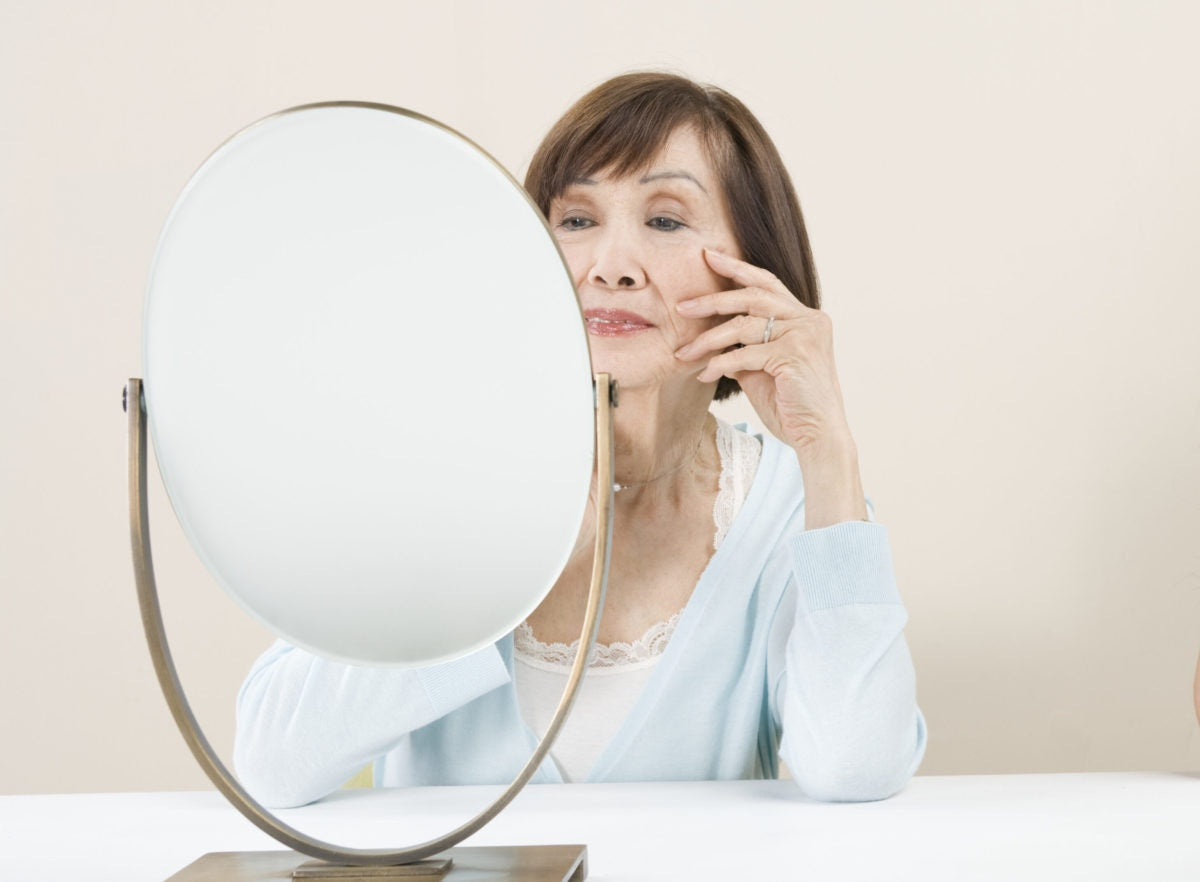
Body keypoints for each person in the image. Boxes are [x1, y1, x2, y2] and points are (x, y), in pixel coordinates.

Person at [234, 72, 927, 808]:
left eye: (665, 221)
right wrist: (504, 576)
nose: (611, 265)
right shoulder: (441, 476)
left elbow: (857, 767)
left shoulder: (793, 507)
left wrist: (830, 452)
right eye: (575, 219)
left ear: (755, 270)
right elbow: (272, 761)